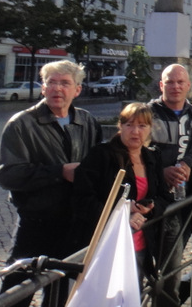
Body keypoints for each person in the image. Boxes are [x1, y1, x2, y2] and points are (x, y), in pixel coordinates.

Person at [0, 60, 102, 307]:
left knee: (61, 292)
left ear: (77, 89)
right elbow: (7, 175)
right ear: (43, 87)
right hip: (37, 222)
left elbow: (99, 168)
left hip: (76, 223)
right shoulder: (22, 124)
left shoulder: (87, 121)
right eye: (51, 82)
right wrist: (59, 172)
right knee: (16, 291)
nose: (57, 88)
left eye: (65, 83)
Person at [71, 103, 170, 278]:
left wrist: (151, 208)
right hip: (106, 246)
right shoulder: (101, 155)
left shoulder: (152, 156)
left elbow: (164, 196)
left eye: (142, 126)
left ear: (150, 129)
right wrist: (122, 214)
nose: (135, 131)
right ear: (120, 126)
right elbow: (82, 199)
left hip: (139, 244)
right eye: (129, 125)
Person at [148, 63, 192, 307]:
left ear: (188, 85)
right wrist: (160, 171)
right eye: (170, 82)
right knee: (144, 264)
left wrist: (188, 162)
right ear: (161, 85)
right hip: (150, 198)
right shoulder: (148, 113)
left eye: (180, 82)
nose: (175, 87)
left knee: (171, 265)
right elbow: (136, 150)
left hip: (184, 199)